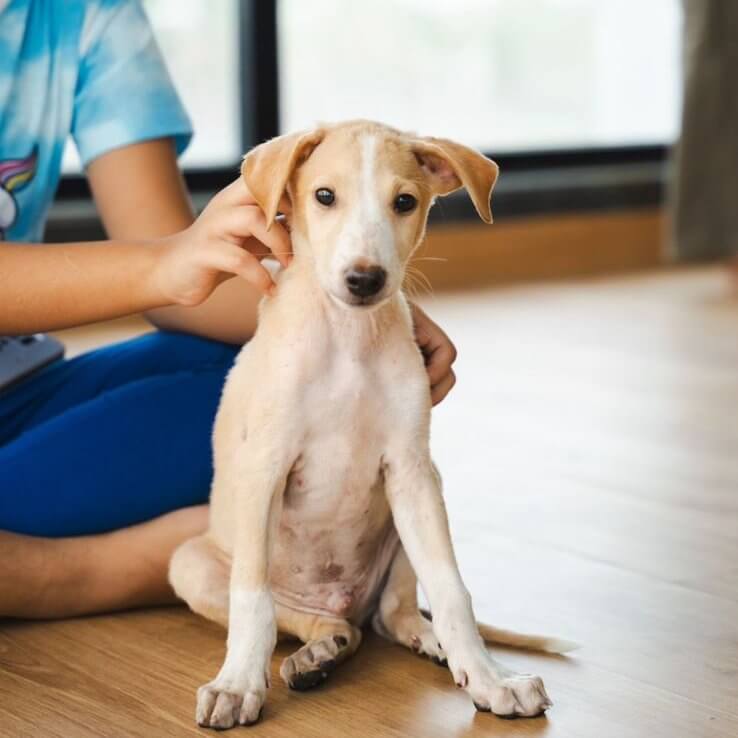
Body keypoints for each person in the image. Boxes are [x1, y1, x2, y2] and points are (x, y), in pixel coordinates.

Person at [0, 0, 457, 619]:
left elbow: (175, 261)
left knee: (255, 379)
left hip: (20, 382)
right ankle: (126, 564)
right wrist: (164, 263)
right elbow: (162, 264)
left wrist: (364, 321)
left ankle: (223, 548)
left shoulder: (86, 14)